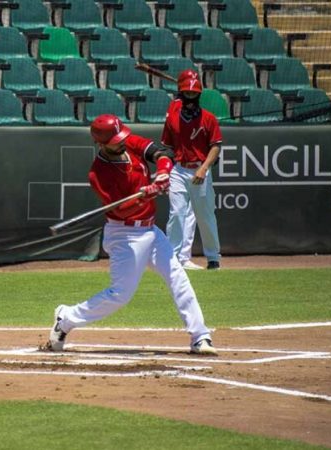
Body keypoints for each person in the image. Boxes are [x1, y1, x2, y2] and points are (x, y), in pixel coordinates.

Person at [45, 114, 217, 355]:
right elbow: (121, 208)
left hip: (150, 230)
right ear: (102, 144)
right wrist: (146, 194)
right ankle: (66, 318)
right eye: (115, 140)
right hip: (124, 235)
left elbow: (161, 153)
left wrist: (163, 174)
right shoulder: (99, 173)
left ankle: (200, 336)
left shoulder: (129, 143)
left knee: (178, 277)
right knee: (120, 295)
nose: (122, 141)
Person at [164, 69, 223, 270]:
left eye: (194, 94)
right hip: (179, 170)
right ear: (181, 94)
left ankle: (213, 257)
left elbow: (216, 146)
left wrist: (204, 168)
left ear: (199, 95)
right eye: (187, 93)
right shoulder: (172, 117)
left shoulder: (209, 118)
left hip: (200, 170)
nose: (190, 97)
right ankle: (171, 258)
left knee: (205, 215)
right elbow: (168, 146)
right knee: (177, 213)